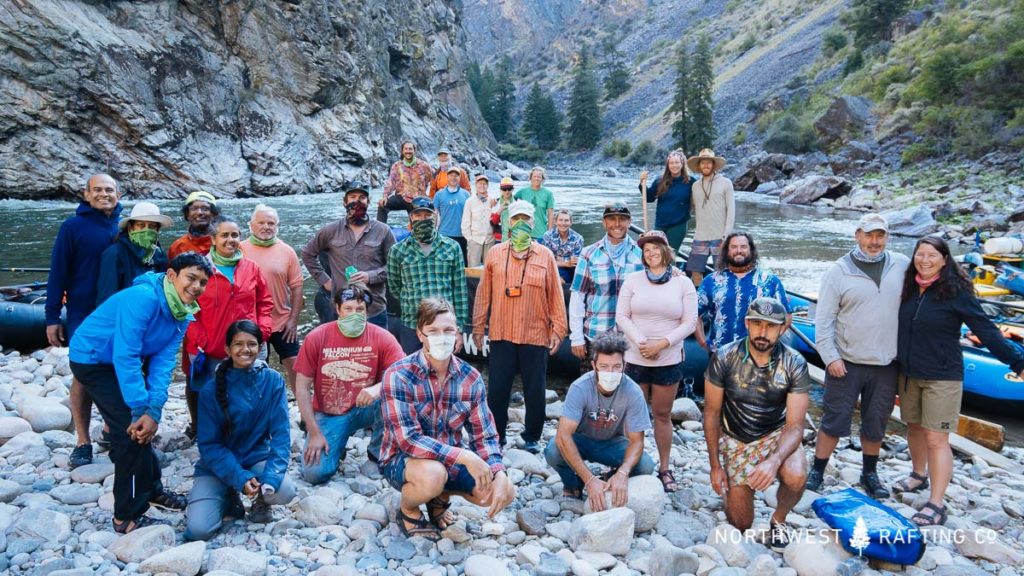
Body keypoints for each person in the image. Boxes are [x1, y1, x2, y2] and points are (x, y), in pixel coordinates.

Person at [69, 253, 213, 533]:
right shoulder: (144, 298)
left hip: (119, 359)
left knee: (145, 424)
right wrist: (138, 410)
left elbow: (163, 362)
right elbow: (126, 354)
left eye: (203, 282)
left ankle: (152, 489)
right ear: (172, 275)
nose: (196, 286)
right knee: (131, 432)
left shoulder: (183, 311)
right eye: (191, 278)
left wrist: (154, 408)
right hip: (93, 357)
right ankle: (127, 516)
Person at [894, 236, 1024, 526]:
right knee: (914, 427)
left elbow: (986, 330)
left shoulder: (956, 292)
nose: (924, 260)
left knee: (936, 438)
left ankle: (936, 503)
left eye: (932, 255)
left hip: (943, 377)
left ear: (944, 259)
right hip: (909, 373)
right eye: (920, 254)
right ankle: (918, 474)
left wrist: (1017, 361)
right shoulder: (908, 288)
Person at [380, 298, 516, 540]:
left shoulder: (470, 377)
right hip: (402, 459)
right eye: (433, 331)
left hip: (449, 459)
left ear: (457, 334)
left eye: (448, 330)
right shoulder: (398, 375)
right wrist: (464, 456)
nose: (441, 337)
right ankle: (408, 509)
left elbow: (484, 434)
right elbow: (408, 440)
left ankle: (439, 499)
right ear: (420, 334)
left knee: (498, 491)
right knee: (433, 475)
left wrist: (498, 472)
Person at [808, 214, 909, 499]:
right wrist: (830, 357)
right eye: (869, 235)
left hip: (886, 363)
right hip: (846, 361)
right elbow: (824, 319)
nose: (874, 242)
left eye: (880, 236)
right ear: (857, 235)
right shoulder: (838, 271)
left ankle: (870, 473)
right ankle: (817, 470)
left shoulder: (901, 265)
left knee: (876, 421)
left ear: (887, 237)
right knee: (834, 420)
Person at [703, 297, 810, 551]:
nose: (763, 332)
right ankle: (734, 486)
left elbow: (795, 426)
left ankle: (778, 519)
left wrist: (773, 462)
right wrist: (715, 465)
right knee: (740, 523)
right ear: (746, 324)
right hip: (736, 436)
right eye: (757, 324)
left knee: (796, 475)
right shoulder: (724, 357)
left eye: (771, 326)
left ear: (783, 328)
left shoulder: (794, 363)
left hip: (775, 433)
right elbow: (711, 413)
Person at [185, 320, 296, 540]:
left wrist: (271, 479)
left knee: (285, 490)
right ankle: (228, 495)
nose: (245, 349)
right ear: (227, 349)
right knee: (199, 530)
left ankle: (261, 501)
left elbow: (281, 436)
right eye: (238, 344)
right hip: (216, 466)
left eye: (251, 344)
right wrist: (239, 477)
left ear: (260, 347)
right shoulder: (210, 389)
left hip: (256, 457)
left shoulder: (273, 381)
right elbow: (209, 445)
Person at [472, 200, 567, 453]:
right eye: (516, 219)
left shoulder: (545, 255)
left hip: (535, 334)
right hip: (502, 332)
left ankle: (532, 437)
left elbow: (555, 294)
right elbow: (483, 295)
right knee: (498, 390)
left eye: (525, 219)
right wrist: (478, 328)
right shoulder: (494, 253)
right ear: (508, 223)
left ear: (533, 223)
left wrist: (559, 328)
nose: (521, 224)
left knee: (534, 390)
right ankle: (497, 435)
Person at [46, 173, 123, 469]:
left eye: (109, 190)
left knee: (117, 368)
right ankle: (82, 441)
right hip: (82, 312)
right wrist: (52, 316)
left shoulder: (125, 226)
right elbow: (58, 273)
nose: (105, 194)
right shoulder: (73, 227)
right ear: (86, 194)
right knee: (83, 374)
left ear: (118, 193)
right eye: (98, 190)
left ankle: (108, 430)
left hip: (117, 313)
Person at [294, 284, 404, 484]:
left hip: (366, 406)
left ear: (367, 311)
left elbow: (403, 375)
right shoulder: (317, 337)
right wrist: (314, 431)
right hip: (330, 412)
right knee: (314, 473)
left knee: (393, 394)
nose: (355, 313)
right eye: (348, 309)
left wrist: (376, 388)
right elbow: (302, 388)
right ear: (337, 309)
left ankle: (376, 455)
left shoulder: (382, 337)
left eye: (360, 309)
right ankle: (338, 444)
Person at [616, 230, 698, 492]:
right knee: (633, 415)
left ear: (666, 251)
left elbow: (690, 322)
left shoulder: (683, 283)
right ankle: (630, 463)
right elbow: (622, 316)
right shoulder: (633, 281)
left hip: (668, 358)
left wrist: (662, 343)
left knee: (662, 415)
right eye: (646, 249)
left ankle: (664, 467)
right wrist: (641, 341)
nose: (650, 253)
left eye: (655, 248)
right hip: (636, 355)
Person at [184, 216, 273, 437]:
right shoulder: (199, 269)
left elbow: (265, 302)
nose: (230, 240)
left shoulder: (251, 267)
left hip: (249, 345)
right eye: (225, 235)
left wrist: (262, 331)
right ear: (213, 239)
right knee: (214, 395)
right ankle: (213, 438)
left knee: (252, 392)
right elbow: (186, 308)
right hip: (212, 347)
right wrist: (201, 339)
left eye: (235, 235)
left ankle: (253, 435)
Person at [545, 332, 655, 507]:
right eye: (604, 366)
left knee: (645, 466)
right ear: (594, 365)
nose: (610, 372)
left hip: (613, 442)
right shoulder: (579, 387)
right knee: (552, 450)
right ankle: (574, 484)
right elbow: (563, 435)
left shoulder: (633, 392)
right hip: (581, 440)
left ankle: (610, 480)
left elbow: (637, 441)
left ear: (624, 366)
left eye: (616, 366)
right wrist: (589, 480)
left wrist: (623, 473)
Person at [302, 181, 396, 327]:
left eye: (362, 197)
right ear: (344, 202)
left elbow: (395, 266)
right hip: (341, 310)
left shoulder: (383, 231)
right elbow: (308, 254)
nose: (357, 201)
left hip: (374, 309)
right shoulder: (330, 231)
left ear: (368, 202)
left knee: (376, 350)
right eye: (352, 197)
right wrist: (325, 281)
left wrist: (370, 276)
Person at [387, 197, 469, 353]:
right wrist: (412, 301)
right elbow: (395, 286)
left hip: (443, 326)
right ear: (411, 217)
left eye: (427, 215)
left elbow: (460, 291)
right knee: (413, 372)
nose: (423, 219)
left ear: (435, 216)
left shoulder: (452, 247)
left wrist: (459, 329)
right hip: (412, 324)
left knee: (443, 373)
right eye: (418, 215)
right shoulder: (397, 250)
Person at [696, 232, 792, 355]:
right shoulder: (711, 281)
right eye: (734, 247)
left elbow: (787, 315)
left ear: (751, 250)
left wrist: (771, 339)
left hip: (757, 355)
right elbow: (694, 313)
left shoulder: (770, 281)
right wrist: (703, 343)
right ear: (726, 251)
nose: (739, 251)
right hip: (719, 353)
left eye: (743, 247)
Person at [240, 204, 304, 389]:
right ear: (251, 225)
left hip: (282, 321)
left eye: (271, 223)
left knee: (296, 364)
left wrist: (293, 320)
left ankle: (303, 410)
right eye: (261, 222)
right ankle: (258, 409)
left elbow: (297, 287)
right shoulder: (239, 249)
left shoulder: (287, 251)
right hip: (251, 321)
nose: (266, 227)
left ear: (277, 226)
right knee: (255, 367)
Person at [569, 202, 644, 360]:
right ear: (604, 223)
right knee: (594, 383)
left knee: (628, 384)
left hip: (631, 337)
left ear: (629, 222)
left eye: (622, 219)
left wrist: (675, 272)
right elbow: (577, 297)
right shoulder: (588, 253)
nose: (617, 224)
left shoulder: (642, 254)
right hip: (596, 335)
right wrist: (576, 338)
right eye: (612, 219)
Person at [96, 202, 172, 305]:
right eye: (141, 225)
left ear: (157, 230)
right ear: (131, 228)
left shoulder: (158, 253)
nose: (146, 230)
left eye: (151, 226)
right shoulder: (114, 253)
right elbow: (107, 296)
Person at [685, 149, 735, 287]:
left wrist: (727, 236)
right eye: (702, 163)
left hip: (720, 237)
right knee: (695, 272)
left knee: (722, 273)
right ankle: (701, 302)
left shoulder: (726, 183)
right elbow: (687, 207)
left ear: (713, 165)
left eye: (708, 162)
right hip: (700, 236)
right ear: (699, 165)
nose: (705, 165)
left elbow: (731, 211)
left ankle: (719, 302)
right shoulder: (695, 186)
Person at [639, 149, 695, 254]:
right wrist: (642, 183)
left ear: (682, 164)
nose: (674, 165)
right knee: (657, 253)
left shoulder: (690, 181)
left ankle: (671, 271)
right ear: (668, 165)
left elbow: (700, 197)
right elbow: (649, 198)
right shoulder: (660, 180)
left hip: (678, 225)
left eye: (677, 162)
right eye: (671, 163)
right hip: (660, 224)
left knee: (670, 254)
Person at [376, 140, 434, 224]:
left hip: (418, 199)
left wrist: (432, 197)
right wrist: (385, 196)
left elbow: (433, 181)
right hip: (401, 197)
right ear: (402, 151)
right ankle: (381, 229)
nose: (408, 151)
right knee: (382, 205)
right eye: (406, 149)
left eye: (410, 149)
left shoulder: (424, 166)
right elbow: (391, 181)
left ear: (414, 150)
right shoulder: (397, 165)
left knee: (417, 223)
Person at [168, 191, 220, 261]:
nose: (199, 212)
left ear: (214, 214)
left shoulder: (224, 242)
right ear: (187, 215)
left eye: (205, 209)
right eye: (194, 209)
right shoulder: (178, 246)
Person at [434, 166, 471, 262]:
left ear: (460, 178)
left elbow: (471, 214)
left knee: (462, 263)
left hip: (462, 234)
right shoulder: (439, 194)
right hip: (444, 234)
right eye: (451, 175)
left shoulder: (466, 194)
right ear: (447, 177)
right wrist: (433, 232)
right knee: (444, 262)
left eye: (456, 176)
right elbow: (434, 214)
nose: (453, 178)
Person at [540, 209, 584, 285]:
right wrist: (566, 262)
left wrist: (558, 258)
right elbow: (546, 261)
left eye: (566, 220)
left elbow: (575, 262)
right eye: (560, 220)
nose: (563, 223)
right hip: (552, 268)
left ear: (571, 223)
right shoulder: (548, 236)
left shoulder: (578, 238)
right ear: (555, 222)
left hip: (571, 269)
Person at [461, 174, 496, 267]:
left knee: (489, 267)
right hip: (475, 239)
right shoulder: (469, 201)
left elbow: (496, 219)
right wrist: (469, 239)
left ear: (488, 186)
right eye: (480, 183)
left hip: (489, 239)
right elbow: (465, 222)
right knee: (473, 268)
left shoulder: (493, 200)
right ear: (476, 185)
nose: (482, 186)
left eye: (484, 184)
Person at [514, 166, 555, 239]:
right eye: (534, 176)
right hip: (524, 233)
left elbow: (551, 214)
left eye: (539, 177)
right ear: (530, 178)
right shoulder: (522, 192)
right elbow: (510, 200)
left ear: (542, 179)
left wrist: (549, 232)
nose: (537, 178)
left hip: (541, 233)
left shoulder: (548, 194)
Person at [491, 177, 516, 242]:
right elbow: (492, 223)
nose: (507, 191)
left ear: (513, 189)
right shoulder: (495, 203)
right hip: (499, 239)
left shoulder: (517, 203)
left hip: (514, 238)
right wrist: (499, 211)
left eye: (509, 188)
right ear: (500, 189)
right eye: (504, 189)